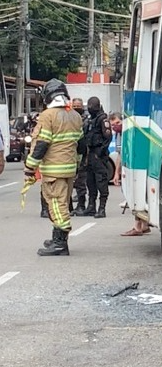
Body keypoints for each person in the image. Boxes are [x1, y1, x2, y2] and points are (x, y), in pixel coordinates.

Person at [25, 79, 83, 256]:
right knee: (62, 203)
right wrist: (77, 165)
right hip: (69, 169)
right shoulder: (75, 115)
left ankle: (60, 244)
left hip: (54, 170)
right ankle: (56, 237)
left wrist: (30, 167)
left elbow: (41, 144)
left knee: (56, 205)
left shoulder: (48, 116)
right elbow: (81, 145)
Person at [81, 96, 111, 218]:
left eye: (91, 106)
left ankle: (102, 208)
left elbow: (108, 137)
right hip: (90, 154)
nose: (90, 109)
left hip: (99, 155)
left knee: (101, 182)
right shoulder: (89, 119)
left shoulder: (102, 119)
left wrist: (100, 152)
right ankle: (91, 206)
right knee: (90, 181)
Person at [71, 97, 89, 214]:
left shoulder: (86, 120)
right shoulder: (70, 118)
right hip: (71, 154)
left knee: (80, 181)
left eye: (79, 106)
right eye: (75, 106)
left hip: (82, 154)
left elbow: (83, 140)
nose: (77, 108)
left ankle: (81, 205)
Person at [108, 112, 122, 185]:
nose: (116, 126)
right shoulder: (118, 135)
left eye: (118, 122)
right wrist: (116, 173)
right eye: (113, 125)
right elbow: (120, 154)